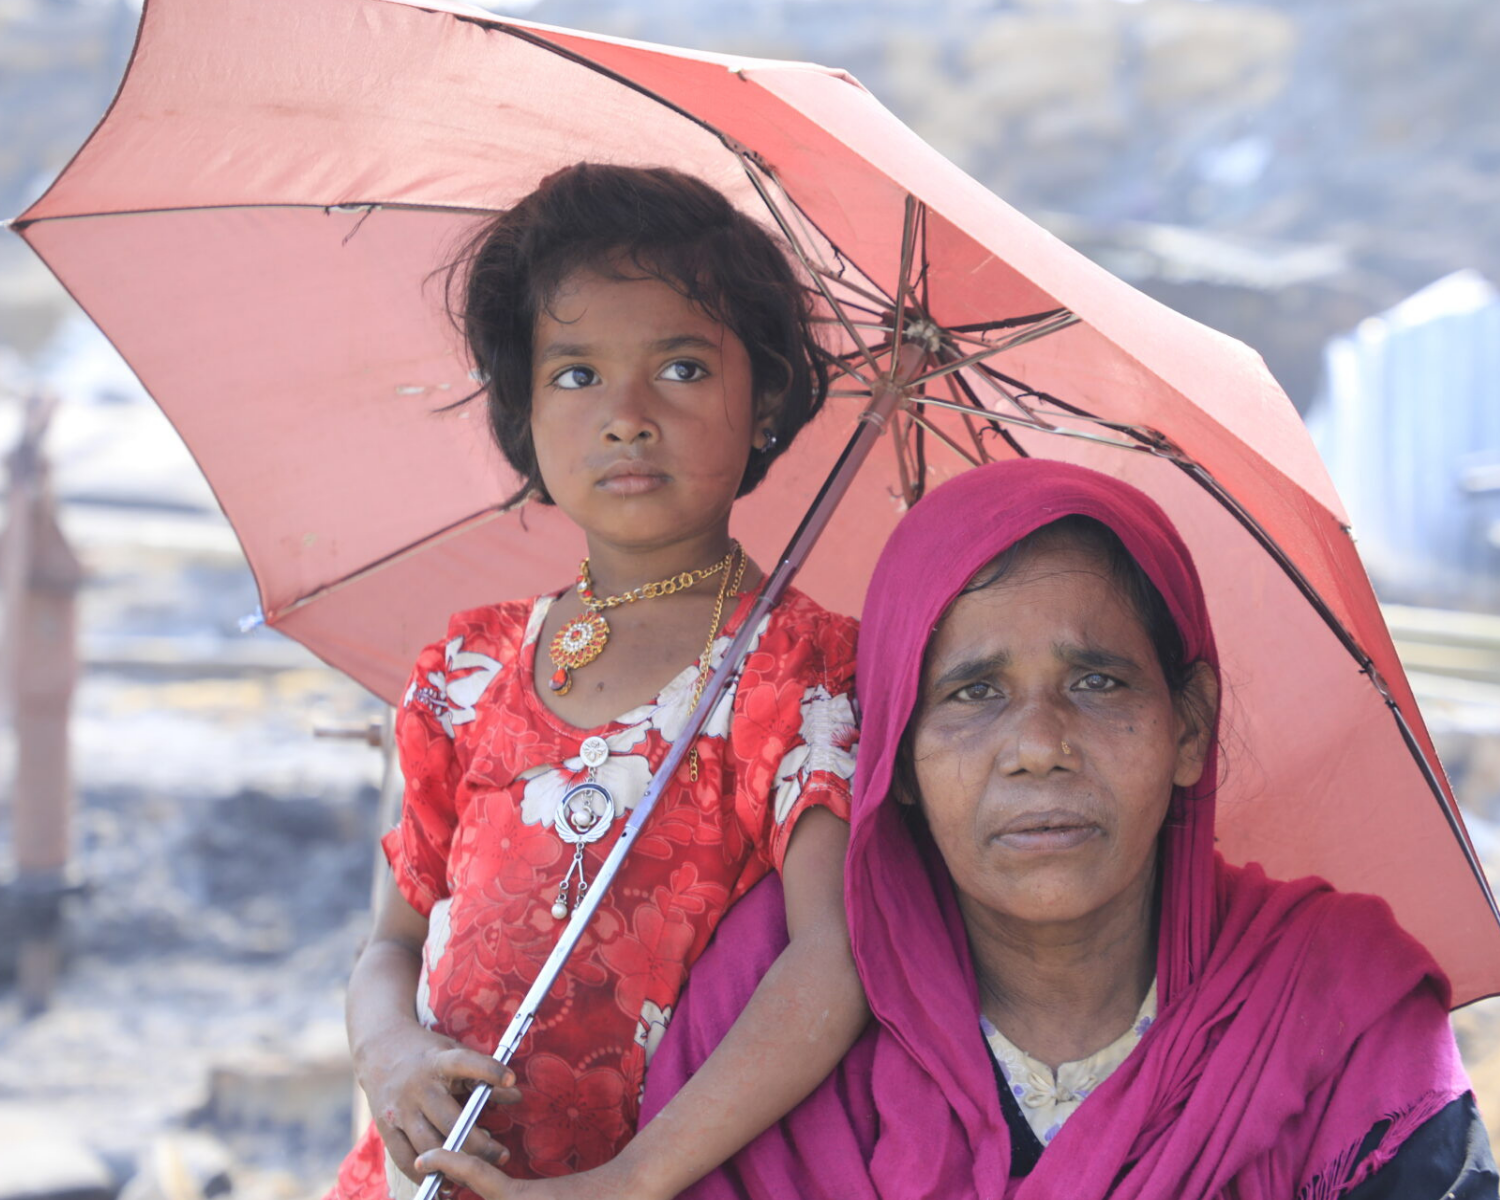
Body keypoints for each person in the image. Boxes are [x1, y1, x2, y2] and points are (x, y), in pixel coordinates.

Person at [641, 458, 1497, 1198]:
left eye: (1097, 682)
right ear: (893, 755)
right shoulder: (762, 1004)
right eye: (974, 692)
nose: (1040, 748)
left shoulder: (1333, 1002)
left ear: (1189, 727)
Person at [328, 164, 866, 1200]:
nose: (626, 416)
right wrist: (388, 1055)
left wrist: (634, 1178)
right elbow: (391, 943)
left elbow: (832, 958)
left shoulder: (797, 673)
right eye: (575, 375)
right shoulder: (470, 669)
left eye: (682, 368)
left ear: (765, 399)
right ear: (522, 410)